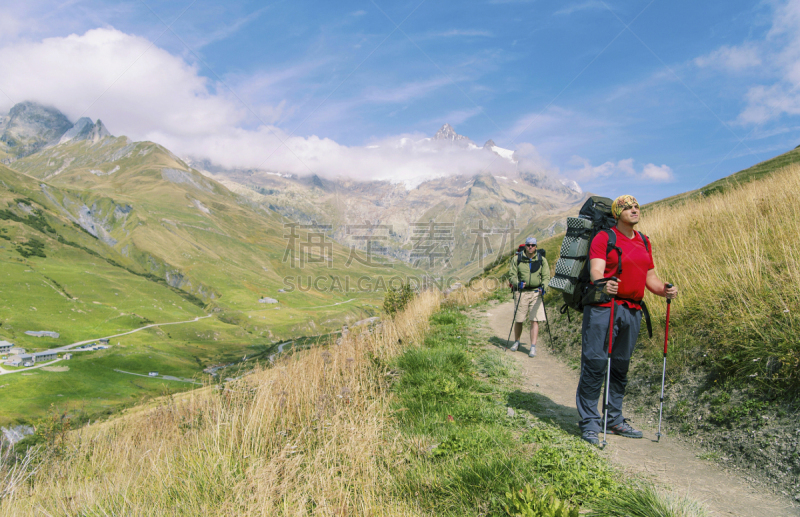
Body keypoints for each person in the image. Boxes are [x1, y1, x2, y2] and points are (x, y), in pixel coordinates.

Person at [576, 195, 678, 446]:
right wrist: (604, 282)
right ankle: (590, 422)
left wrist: (663, 289)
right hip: (604, 307)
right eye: (628, 207)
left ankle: (613, 419)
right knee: (596, 363)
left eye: (637, 207)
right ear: (617, 212)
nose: (634, 210)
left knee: (620, 367)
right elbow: (596, 270)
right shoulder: (605, 237)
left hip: (632, 310)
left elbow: (650, 278)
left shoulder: (644, 241)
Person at [509, 237, 550, 358]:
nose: (530, 247)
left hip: (536, 292)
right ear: (525, 246)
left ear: (536, 246)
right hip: (521, 292)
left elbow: (546, 276)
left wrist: (544, 286)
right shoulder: (517, 259)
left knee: (534, 319)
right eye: (528, 245)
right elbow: (512, 275)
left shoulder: (542, 260)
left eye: (533, 245)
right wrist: (517, 283)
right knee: (519, 318)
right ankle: (516, 342)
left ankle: (533, 346)